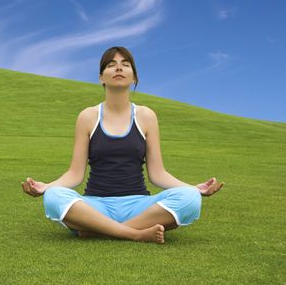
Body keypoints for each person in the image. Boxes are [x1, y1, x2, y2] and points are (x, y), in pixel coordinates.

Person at [21, 46, 224, 244]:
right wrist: (47, 187)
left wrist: (193, 188)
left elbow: (158, 174)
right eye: (111, 65)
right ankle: (135, 233)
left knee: (190, 199)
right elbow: (75, 174)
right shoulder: (87, 117)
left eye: (125, 64)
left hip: (138, 205)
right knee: (53, 197)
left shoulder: (146, 116)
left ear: (134, 77)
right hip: (96, 205)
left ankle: (97, 229)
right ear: (101, 77)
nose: (118, 68)